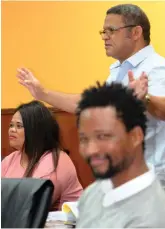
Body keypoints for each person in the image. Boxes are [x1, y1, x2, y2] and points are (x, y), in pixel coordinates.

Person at [16, 4, 165, 183]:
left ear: (135, 33)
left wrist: (145, 99)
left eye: (111, 30)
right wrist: (43, 94)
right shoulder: (119, 71)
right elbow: (88, 104)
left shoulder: (157, 67)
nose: (105, 37)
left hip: (151, 180)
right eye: (103, 31)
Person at [75, 82, 165, 228]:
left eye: (103, 136)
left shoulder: (152, 218)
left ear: (135, 136)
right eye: (84, 139)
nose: (91, 150)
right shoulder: (93, 192)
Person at [1, 100, 83, 211]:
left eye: (19, 126)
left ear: (35, 130)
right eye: (11, 125)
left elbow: (32, 204)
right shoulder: (10, 160)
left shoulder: (56, 159)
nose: (12, 130)